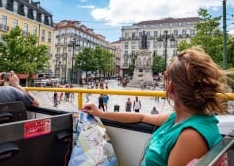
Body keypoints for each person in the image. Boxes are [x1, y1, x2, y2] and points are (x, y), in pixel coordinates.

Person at [83, 47, 231, 166]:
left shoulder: (191, 136)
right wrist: (100, 113)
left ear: (171, 87)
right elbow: (140, 116)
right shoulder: (178, 118)